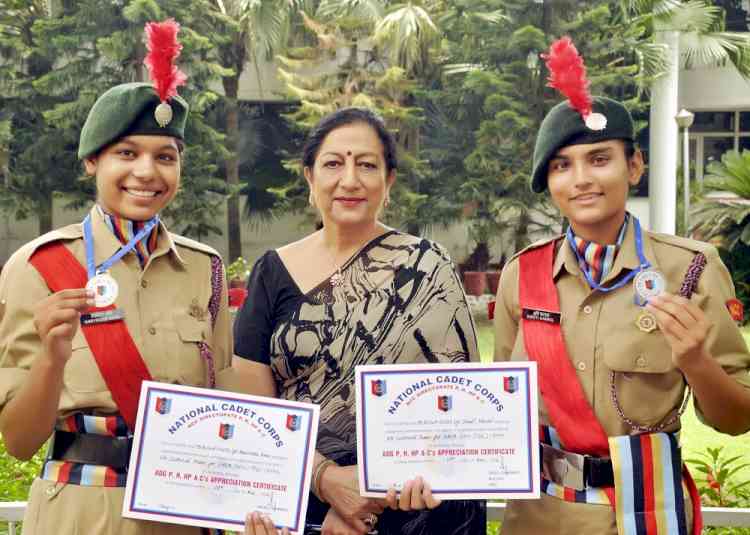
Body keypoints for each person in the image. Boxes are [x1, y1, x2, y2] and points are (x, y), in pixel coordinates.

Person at [493, 37, 750, 535]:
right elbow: (506, 407)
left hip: (644, 517)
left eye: (599, 159)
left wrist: (696, 360)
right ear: (549, 183)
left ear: (634, 166)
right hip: (538, 518)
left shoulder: (691, 270)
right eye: (562, 166)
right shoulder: (521, 277)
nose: (581, 179)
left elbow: (736, 420)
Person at [0, 20, 235, 535]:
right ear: (92, 162)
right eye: (126, 153)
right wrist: (52, 355)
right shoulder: (38, 267)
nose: (147, 172)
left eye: (165, 157)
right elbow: (18, 442)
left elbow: (223, 405)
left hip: (181, 516)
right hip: (81, 514)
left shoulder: (206, 270)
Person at [235, 107, 486, 535]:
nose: (349, 180)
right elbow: (255, 416)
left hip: (413, 508)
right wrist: (328, 483)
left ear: (388, 181)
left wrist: (368, 505)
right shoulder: (271, 274)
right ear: (309, 178)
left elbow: (457, 415)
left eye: (366, 165)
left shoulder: (427, 268)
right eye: (333, 163)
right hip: (305, 509)